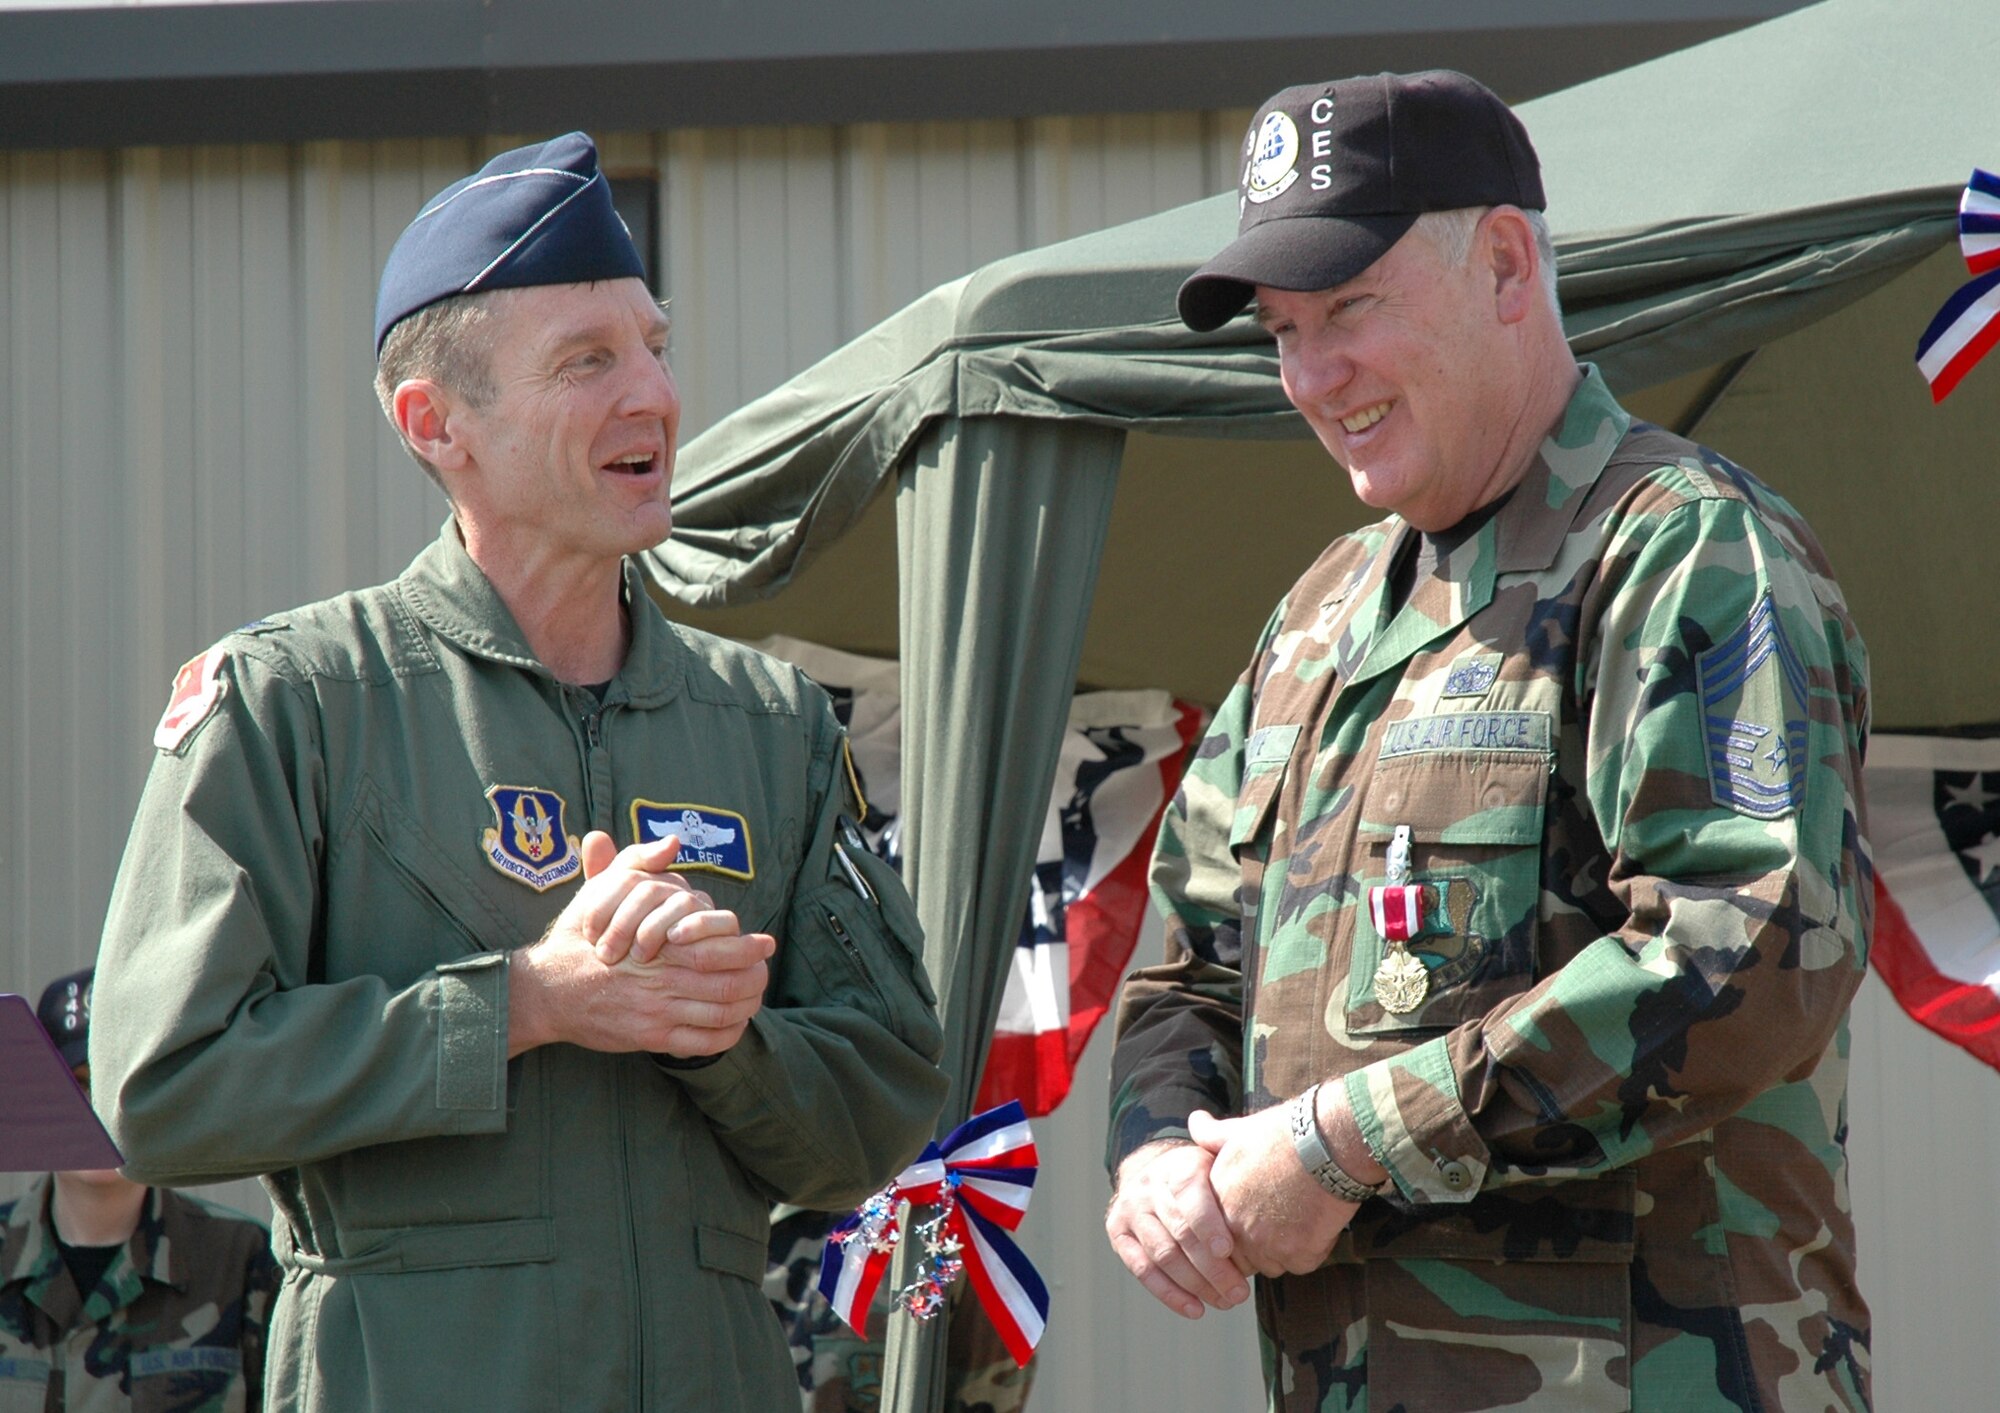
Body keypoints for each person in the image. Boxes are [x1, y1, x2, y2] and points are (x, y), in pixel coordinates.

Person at [88, 133, 948, 1413]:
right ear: (438, 425)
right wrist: (529, 1004)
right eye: (586, 362)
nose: (651, 393)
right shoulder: (297, 703)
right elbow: (165, 1086)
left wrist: (713, 1034)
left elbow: (880, 1107)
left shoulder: (767, 723)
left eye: (654, 346)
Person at [1104, 71, 1872, 1411]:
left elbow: (1747, 951)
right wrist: (1163, 1154)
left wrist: (1348, 1144)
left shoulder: (1682, 550)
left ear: (1506, 265)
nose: (1309, 373)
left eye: (1348, 308)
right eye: (1283, 329)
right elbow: (1191, 962)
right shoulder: (1319, 615)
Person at [2, 968, 279, 1411]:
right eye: (80, 1083)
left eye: (120, 1082)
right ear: (40, 1094)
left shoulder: (242, 1260)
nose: (99, 1110)